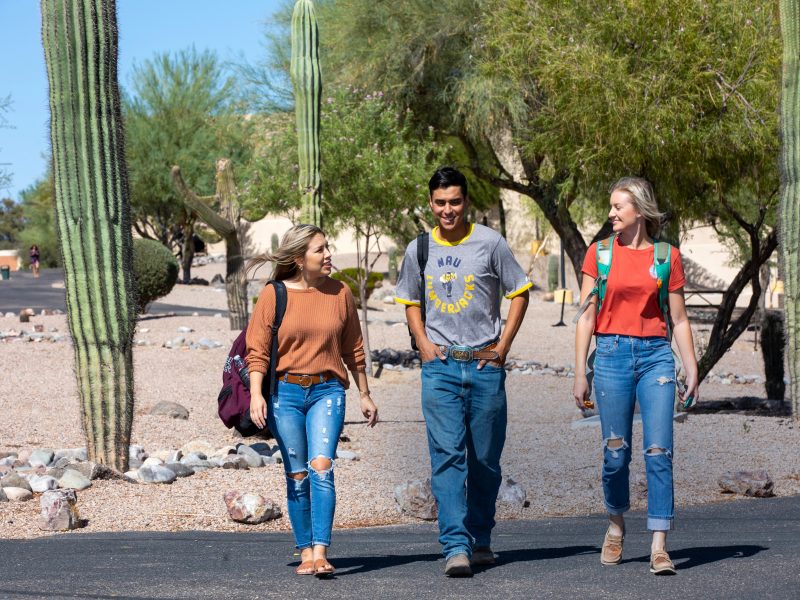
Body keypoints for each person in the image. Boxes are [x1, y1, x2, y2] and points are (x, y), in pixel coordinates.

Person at [395, 167, 531, 577]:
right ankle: (455, 545)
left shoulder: (490, 243)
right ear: (431, 204)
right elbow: (410, 299)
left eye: (454, 202)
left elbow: (519, 292)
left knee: (485, 461)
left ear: (465, 201)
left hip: (486, 366)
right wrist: (422, 341)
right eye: (440, 203)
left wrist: (503, 346)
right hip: (441, 369)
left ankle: (481, 537)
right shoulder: (418, 248)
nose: (447, 210)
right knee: (447, 457)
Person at [572, 177, 699, 575]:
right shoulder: (599, 254)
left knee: (659, 451)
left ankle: (659, 544)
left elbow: (677, 319)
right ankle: (616, 524)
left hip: (656, 358)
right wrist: (580, 372)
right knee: (615, 453)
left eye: (618, 207)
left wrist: (691, 366)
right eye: (610, 207)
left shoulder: (666, 256)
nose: (611, 213)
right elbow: (585, 317)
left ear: (639, 212)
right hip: (609, 356)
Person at [246, 224, 379, 578]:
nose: (328, 254)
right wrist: (256, 394)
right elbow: (256, 350)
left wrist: (364, 394)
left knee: (322, 467)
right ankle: (304, 550)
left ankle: (321, 550)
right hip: (284, 394)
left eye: (327, 247)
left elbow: (354, 348)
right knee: (298, 474)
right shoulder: (273, 295)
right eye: (319, 250)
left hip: (328, 391)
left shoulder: (340, 293)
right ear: (298, 259)